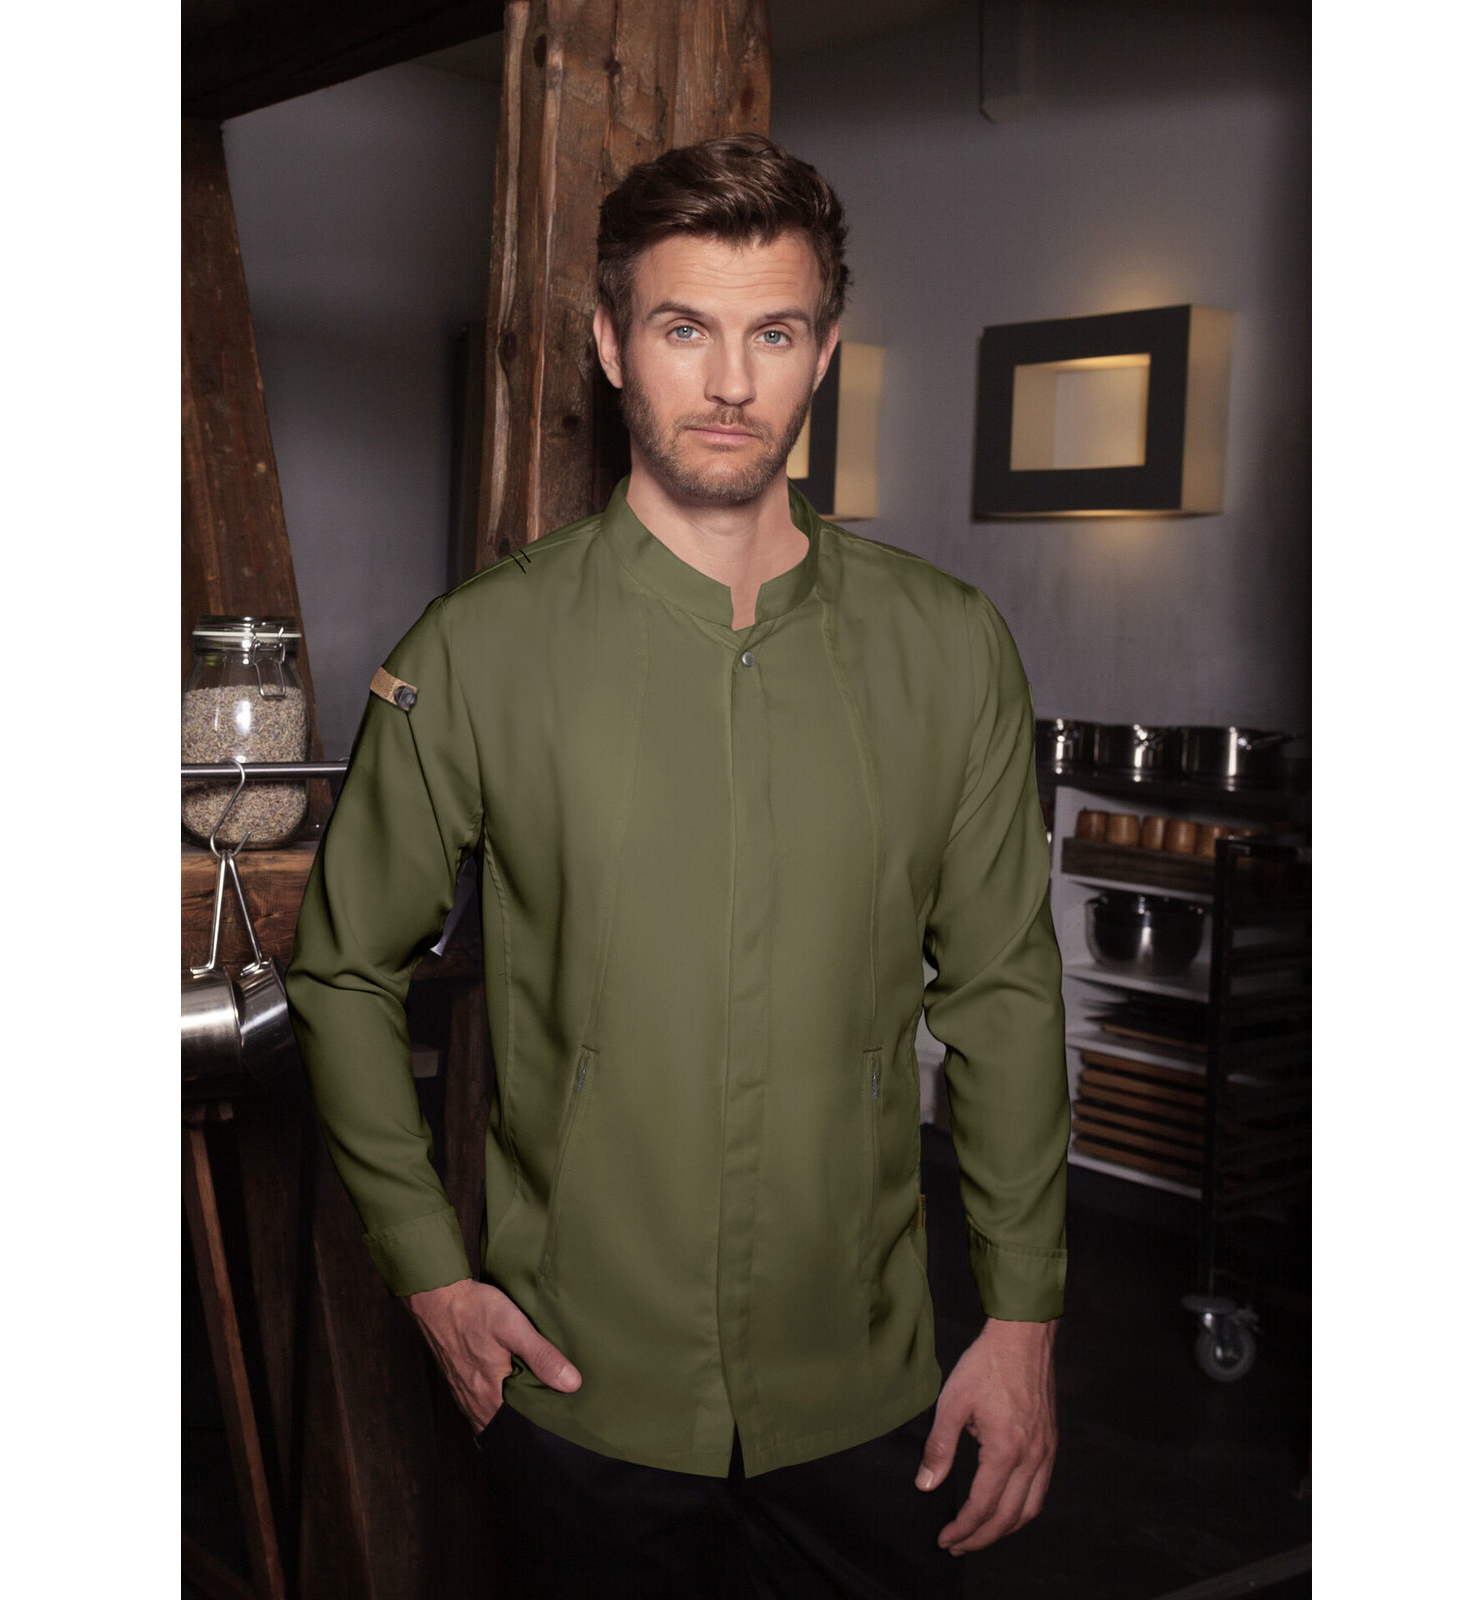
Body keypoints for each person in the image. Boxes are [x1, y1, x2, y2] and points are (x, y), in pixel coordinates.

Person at [286, 132, 1069, 1600]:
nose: (729, 383)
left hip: (872, 1401)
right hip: (586, 1395)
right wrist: (431, 1271)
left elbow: (1006, 993)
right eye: (683, 328)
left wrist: (1023, 1322)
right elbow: (338, 970)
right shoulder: (479, 649)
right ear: (610, 344)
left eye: (773, 333)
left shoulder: (950, 648)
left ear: (822, 352)